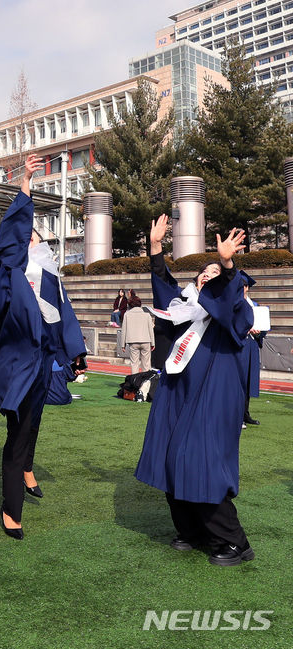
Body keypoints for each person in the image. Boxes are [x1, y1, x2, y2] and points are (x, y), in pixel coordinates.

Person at [135, 214, 255, 567]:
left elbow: (230, 300)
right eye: (203, 274)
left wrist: (227, 263)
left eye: (214, 275)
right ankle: (191, 531)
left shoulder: (235, 311)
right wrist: (156, 247)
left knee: (200, 462)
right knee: (172, 459)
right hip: (177, 394)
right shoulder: (184, 311)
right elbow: (165, 287)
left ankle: (235, 542)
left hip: (212, 397)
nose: (208, 276)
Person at [0, 155, 86, 539]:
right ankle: (11, 509)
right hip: (16, 360)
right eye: (25, 235)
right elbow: (13, 229)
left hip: (42, 358)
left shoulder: (50, 274)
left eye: (34, 234)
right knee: (19, 430)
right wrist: (25, 181)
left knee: (33, 423)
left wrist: (75, 351)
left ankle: (26, 467)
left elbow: (64, 311)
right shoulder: (6, 272)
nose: (30, 236)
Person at [241, 280, 264, 427]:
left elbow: (264, 326)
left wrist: (259, 332)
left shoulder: (255, 306)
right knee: (239, 381)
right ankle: (237, 415)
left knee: (249, 380)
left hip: (252, 345)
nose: (241, 289)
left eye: (243, 286)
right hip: (239, 345)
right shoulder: (233, 305)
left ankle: (245, 413)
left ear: (247, 288)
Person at [121, 303, 155, 373]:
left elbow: (124, 330)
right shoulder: (147, 315)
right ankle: (146, 382)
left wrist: (122, 344)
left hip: (133, 342)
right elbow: (150, 330)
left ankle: (135, 382)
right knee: (146, 364)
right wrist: (153, 343)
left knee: (134, 364)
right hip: (146, 340)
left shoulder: (127, 315)